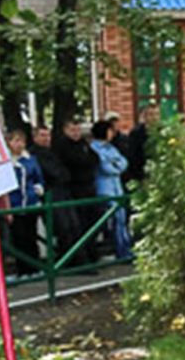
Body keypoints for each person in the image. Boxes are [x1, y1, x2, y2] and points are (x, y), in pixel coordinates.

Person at [29, 125, 81, 263]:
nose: (46, 139)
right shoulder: (35, 154)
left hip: (62, 191)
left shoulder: (51, 152)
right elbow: (54, 173)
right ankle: (67, 260)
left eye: (48, 135)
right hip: (51, 192)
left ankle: (75, 259)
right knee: (63, 227)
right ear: (35, 138)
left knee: (73, 225)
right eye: (42, 135)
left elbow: (63, 172)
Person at [54, 117, 100, 265]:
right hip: (75, 188)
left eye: (78, 130)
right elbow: (76, 161)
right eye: (72, 130)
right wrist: (85, 161)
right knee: (79, 224)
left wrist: (86, 161)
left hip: (89, 186)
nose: (76, 133)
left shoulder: (83, 144)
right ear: (65, 130)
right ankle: (80, 257)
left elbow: (95, 159)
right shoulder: (62, 146)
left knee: (93, 221)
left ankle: (92, 253)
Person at [89, 119, 131, 259]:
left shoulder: (111, 148)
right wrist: (115, 165)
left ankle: (125, 248)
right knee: (112, 220)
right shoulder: (94, 148)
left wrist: (115, 165)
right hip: (104, 189)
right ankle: (118, 250)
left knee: (122, 219)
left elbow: (123, 163)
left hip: (117, 188)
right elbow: (106, 167)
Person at [5, 127, 44, 276]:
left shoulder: (30, 159)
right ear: (9, 143)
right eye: (16, 141)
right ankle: (22, 270)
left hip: (30, 202)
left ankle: (35, 268)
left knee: (31, 236)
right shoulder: (6, 162)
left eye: (22, 141)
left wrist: (37, 188)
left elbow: (38, 177)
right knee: (18, 238)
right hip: (14, 204)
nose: (19, 144)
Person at [126, 103, 159, 186]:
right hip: (143, 174)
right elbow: (133, 156)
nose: (154, 118)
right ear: (145, 116)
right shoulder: (136, 133)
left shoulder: (162, 131)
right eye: (151, 114)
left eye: (157, 114)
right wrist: (140, 177)